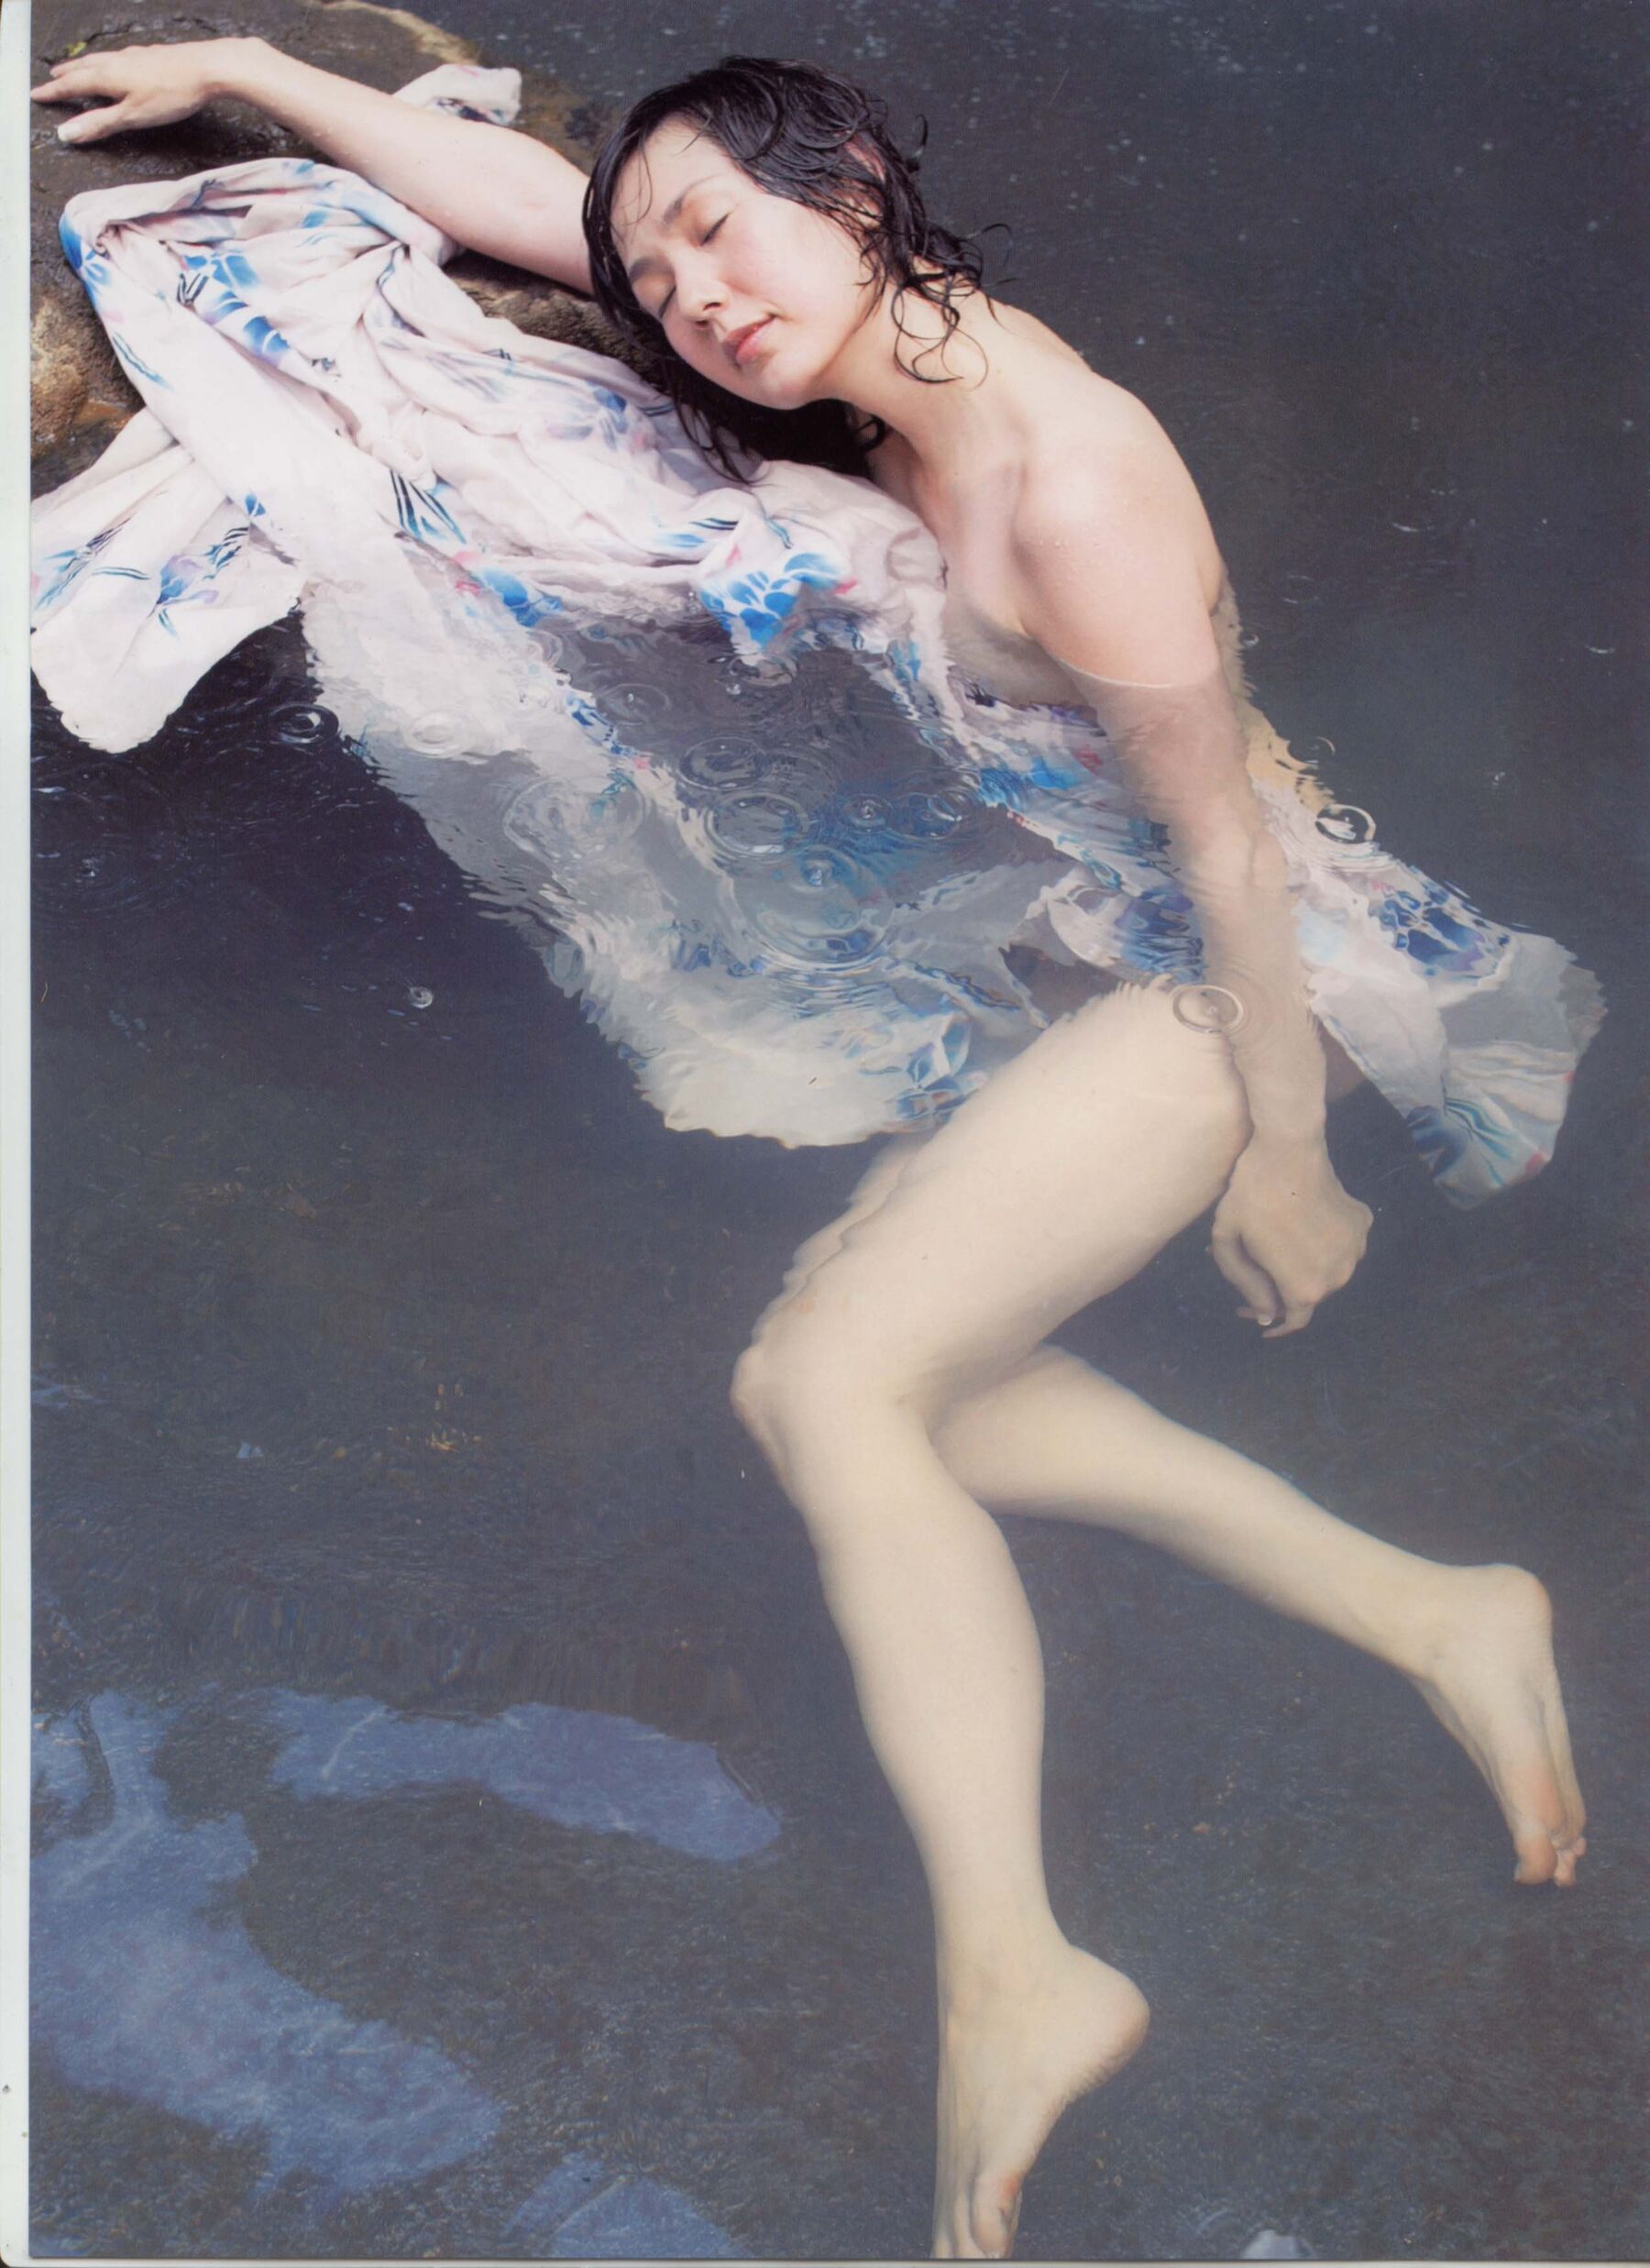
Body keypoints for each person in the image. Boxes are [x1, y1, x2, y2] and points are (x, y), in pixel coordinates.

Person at [34, 38, 1597, 2261]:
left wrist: (1286, 1147)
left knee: (825, 1380)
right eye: (659, 275)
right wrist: (254, 66)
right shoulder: (867, 344)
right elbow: (526, 215)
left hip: (1238, 979)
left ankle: (1019, 1968)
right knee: (899, 1381)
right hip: (1079, 929)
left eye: (722, 234)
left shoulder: (1075, 485)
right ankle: (1427, 1604)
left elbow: (1238, 854)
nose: (693, 300)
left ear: (852, 181)